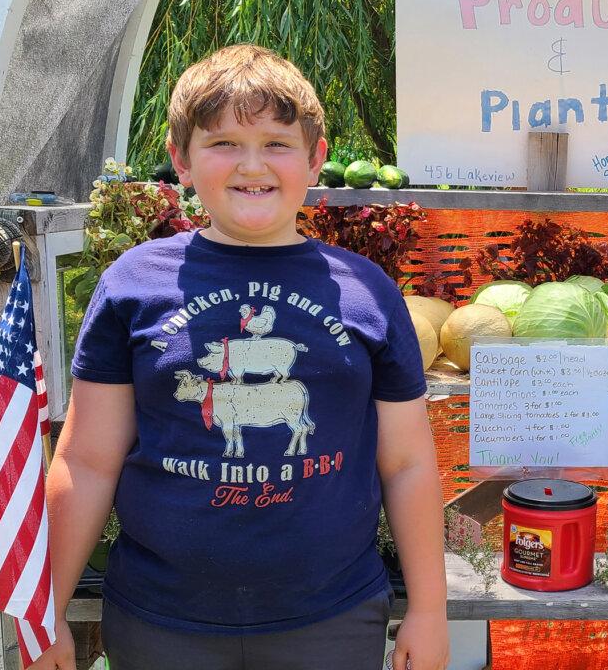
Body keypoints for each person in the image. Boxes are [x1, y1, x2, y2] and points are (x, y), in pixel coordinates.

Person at [31, 44, 449, 670]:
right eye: (223, 142)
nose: (252, 164)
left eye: (277, 143)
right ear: (181, 160)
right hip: (161, 621)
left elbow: (409, 463)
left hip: (330, 617)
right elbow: (88, 460)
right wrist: (48, 611)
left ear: (316, 159)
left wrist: (429, 609)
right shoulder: (132, 285)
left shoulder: (367, 291)